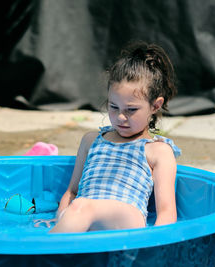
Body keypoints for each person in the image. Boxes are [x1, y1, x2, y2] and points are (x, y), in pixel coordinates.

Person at [45, 41, 181, 232]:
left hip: (127, 219)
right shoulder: (91, 141)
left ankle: (40, 254)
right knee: (79, 207)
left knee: (82, 207)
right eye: (113, 107)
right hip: (84, 211)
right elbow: (72, 191)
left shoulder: (157, 150)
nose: (120, 117)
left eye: (131, 110)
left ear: (155, 106)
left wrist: (154, 248)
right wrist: (61, 217)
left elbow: (167, 212)